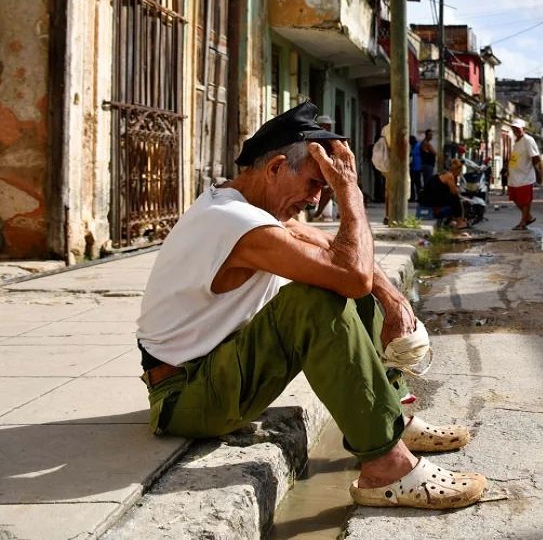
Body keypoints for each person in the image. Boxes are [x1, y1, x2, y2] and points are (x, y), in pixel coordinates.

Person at [135, 101, 485, 510]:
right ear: (276, 168)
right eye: (317, 184)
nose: (318, 199)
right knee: (316, 300)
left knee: (351, 285)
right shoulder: (233, 222)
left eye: (327, 187)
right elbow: (351, 273)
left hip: (215, 374)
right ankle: (386, 469)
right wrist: (349, 191)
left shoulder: (247, 205)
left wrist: (393, 300)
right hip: (187, 398)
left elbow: (342, 257)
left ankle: (396, 419)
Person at [507, 118, 542, 230]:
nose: (515, 130)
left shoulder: (528, 140)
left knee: (525, 200)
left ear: (523, 129)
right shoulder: (516, 141)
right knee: (515, 199)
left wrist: (540, 174)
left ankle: (523, 221)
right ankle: (528, 217)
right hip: (514, 177)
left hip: (525, 176)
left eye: (517, 128)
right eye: (513, 128)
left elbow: (536, 158)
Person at [418, 158, 468, 230]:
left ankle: (454, 220)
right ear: (456, 170)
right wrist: (458, 189)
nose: (460, 173)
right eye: (459, 171)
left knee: (451, 197)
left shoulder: (443, 173)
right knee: (455, 198)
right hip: (430, 201)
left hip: (428, 198)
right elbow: (454, 192)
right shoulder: (449, 176)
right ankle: (459, 222)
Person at [409, 135, 424, 201]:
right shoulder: (415, 145)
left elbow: (412, 154)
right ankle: (413, 196)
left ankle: (419, 196)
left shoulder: (418, 145)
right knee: (413, 182)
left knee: (417, 183)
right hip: (414, 166)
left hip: (417, 166)